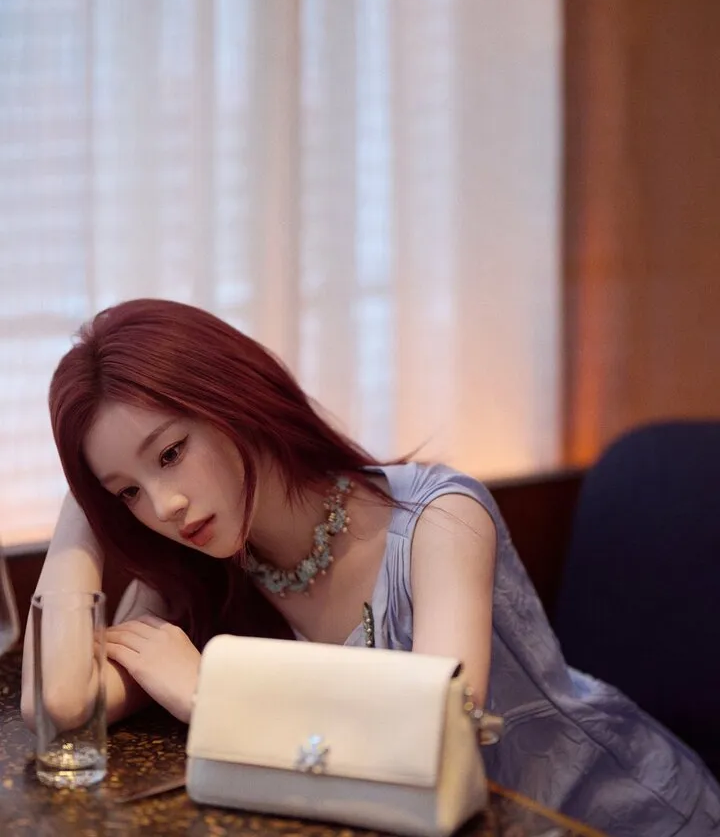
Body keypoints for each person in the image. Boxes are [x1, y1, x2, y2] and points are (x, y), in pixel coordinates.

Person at [21, 298, 720, 836]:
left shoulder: (440, 520)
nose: (164, 505)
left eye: (171, 453)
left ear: (233, 400)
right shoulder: (197, 558)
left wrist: (210, 694)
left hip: (610, 816)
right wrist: (85, 507)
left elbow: (437, 737)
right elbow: (64, 707)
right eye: (130, 492)